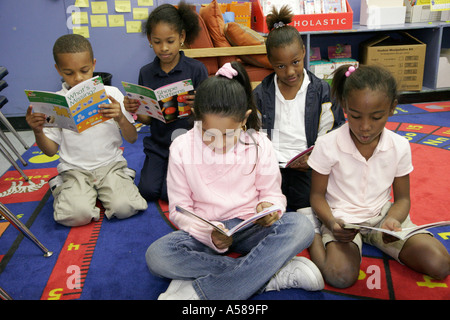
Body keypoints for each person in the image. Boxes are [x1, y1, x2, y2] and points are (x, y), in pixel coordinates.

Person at [145, 62, 324, 300]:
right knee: (157, 256)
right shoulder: (181, 147)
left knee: (301, 226)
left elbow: (272, 195)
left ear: (244, 120)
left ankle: (207, 289)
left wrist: (269, 209)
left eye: (229, 135)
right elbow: (179, 210)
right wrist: (209, 233)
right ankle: (270, 276)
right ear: (197, 119)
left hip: (251, 226)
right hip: (206, 231)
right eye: (208, 134)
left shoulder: (260, 143)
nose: (219, 143)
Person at [307, 64, 450, 288]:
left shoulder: (399, 146)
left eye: (376, 117)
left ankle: (377, 235)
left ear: (392, 108)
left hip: (382, 218)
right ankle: (314, 234)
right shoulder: (327, 144)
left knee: (439, 264)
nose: (365, 127)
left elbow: (402, 199)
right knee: (340, 276)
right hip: (341, 219)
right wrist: (332, 222)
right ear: (344, 106)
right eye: (355, 116)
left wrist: (393, 219)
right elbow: (316, 196)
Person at [26, 34, 147, 227]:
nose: (78, 78)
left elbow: (132, 138)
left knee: (126, 208)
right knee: (75, 216)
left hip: (110, 166)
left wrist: (120, 118)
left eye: (85, 70)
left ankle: (119, 180)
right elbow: (50, 151)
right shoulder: (55, 103)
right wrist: (38, 131)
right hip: (74, 170)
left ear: (93, 63)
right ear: (58, 70)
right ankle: (63, 186)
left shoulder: (112, 94)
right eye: (68, 73)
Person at [253, 5, 345, 213]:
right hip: (271, 167)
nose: (290, 71)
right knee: (259, 204)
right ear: (271, 63)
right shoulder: (260, 94)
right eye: (281, 66)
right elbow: (254, 134)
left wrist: (314, 158)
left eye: (295, 62)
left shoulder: (322, 91)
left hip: (309, 167)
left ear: (304, 51)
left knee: (309, 204)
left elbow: (333, 131)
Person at [124, 2, 208, 202]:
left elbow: (209, 117)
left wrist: (199, 106)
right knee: (148, 191)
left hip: (189, 146)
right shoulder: (146, 72)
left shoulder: (197, 69)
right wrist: (135, 108)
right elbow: (145, 119)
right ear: (149, 40)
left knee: (167, 194)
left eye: (170, 41)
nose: (164, 48)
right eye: (157, 41)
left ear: (182, 37)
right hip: (158, 145)